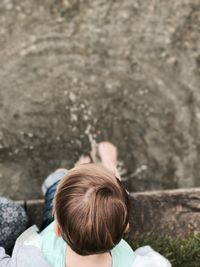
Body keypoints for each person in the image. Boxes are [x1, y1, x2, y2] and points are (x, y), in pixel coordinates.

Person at [0, 142, 171, 267]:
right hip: (91, 226)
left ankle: (71, 173)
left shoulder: (31, 260)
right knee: (107, 200)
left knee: (58, 178)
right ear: (125, 227)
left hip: (60, 234)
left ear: (57, 229)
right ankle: (102, 170)